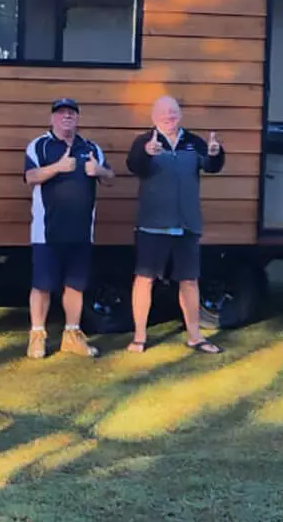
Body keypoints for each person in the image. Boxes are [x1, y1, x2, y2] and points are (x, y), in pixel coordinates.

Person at [125, 94, 225, 354]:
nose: (169, 117)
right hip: (152, 225)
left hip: (186, 224)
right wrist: (146, 153)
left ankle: (195, 336)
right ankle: (139, 337)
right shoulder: (144, 142)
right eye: (164, 113)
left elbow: (212, 165)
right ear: (154, 117)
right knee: (145, 279)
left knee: (189, 281)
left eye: (173, 112)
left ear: (180, 115)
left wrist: (215, 154)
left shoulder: (193, 142)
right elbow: (134, 165)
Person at [22, 97, 114, 359]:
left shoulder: (90, 147)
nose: (66, 117)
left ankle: (72, 335)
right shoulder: (39, 145)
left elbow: (110, 179)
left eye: (71, 113)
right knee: (42, 285)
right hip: (47, 232)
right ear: (52, 118)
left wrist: (99, 171)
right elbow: (30, 177)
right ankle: (37, 335)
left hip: (82, 231)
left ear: (77, 118)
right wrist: (58, 168)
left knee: (75, 285)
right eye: (61, 113)